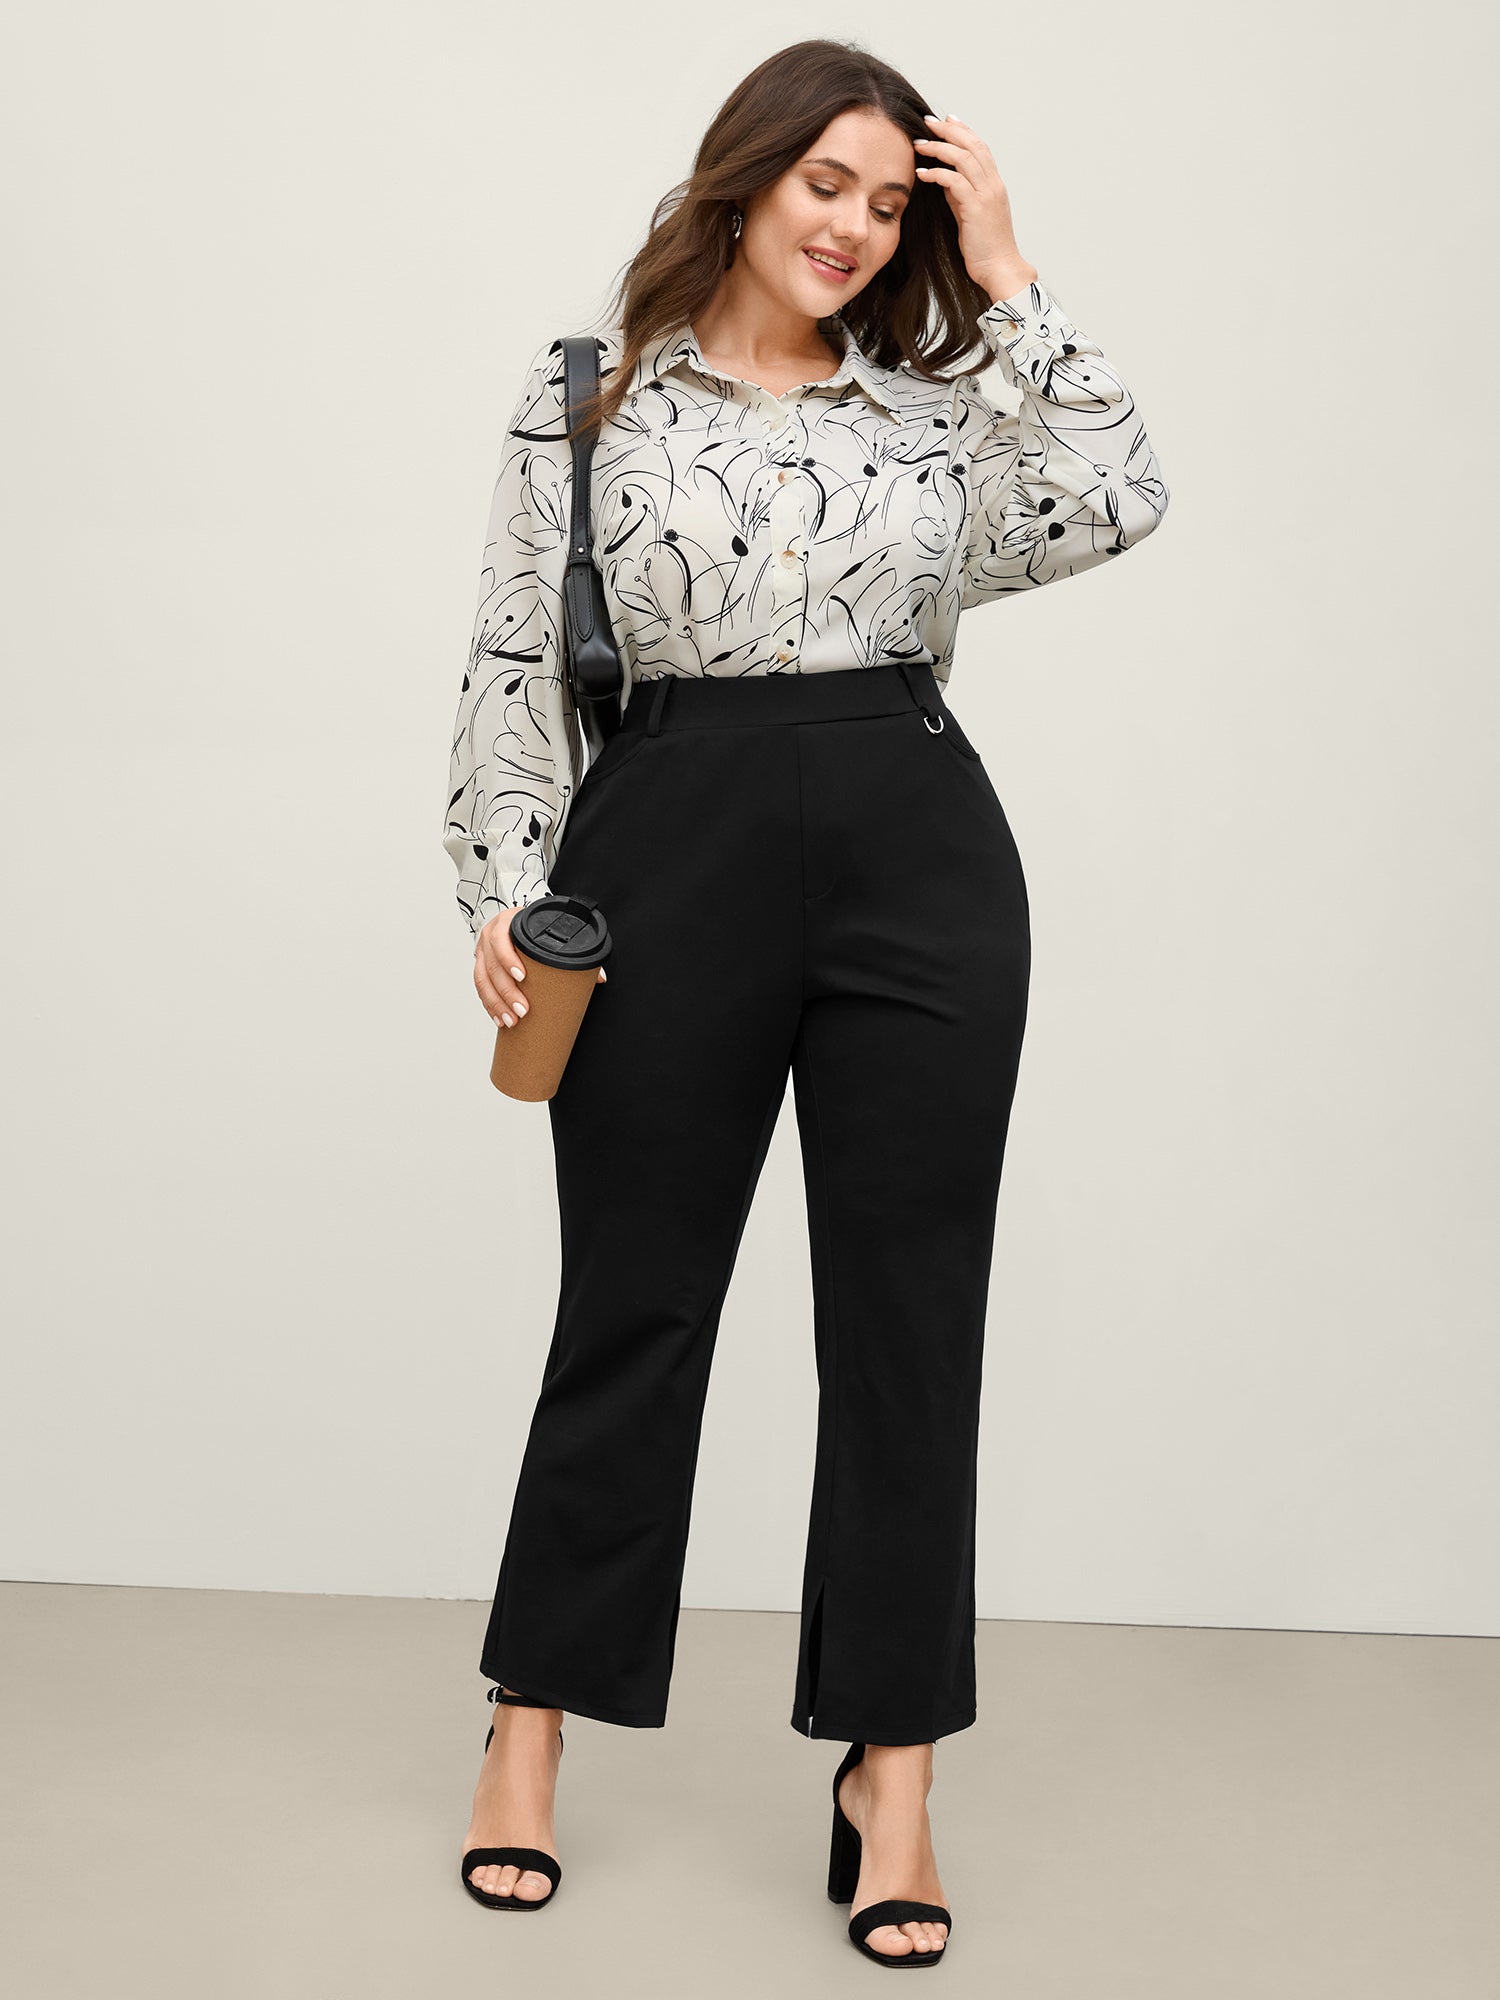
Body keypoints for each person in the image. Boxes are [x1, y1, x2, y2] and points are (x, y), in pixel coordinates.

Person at [442, 38, 1168, 1965]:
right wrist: (507, 885)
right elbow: (513, 662)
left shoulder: (936, 422)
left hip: (914, 863)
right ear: (748, 176)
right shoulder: (590, 400)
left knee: (911, 1324)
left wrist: (1007, 273)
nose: (852, 225)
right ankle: (530, 1724)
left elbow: (1123, 489)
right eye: (825, 182)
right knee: (636, 1302)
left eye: (889, 202)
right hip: (663, 845)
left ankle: (893, 1774)